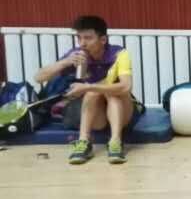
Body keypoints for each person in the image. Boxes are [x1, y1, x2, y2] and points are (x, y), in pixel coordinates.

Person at [33, 15, 140, 164]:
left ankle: (115, 142)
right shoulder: (76, 55)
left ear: (103, 39)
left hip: (122, 113)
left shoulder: (119, 54)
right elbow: (38, 77)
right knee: (92, 93)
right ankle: (84, 142)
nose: (82, 43)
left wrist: (88, 86)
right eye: (79, 38)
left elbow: (126, 86)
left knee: (109, 92)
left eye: (88, 38)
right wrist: (65, 62)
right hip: (96, 117)